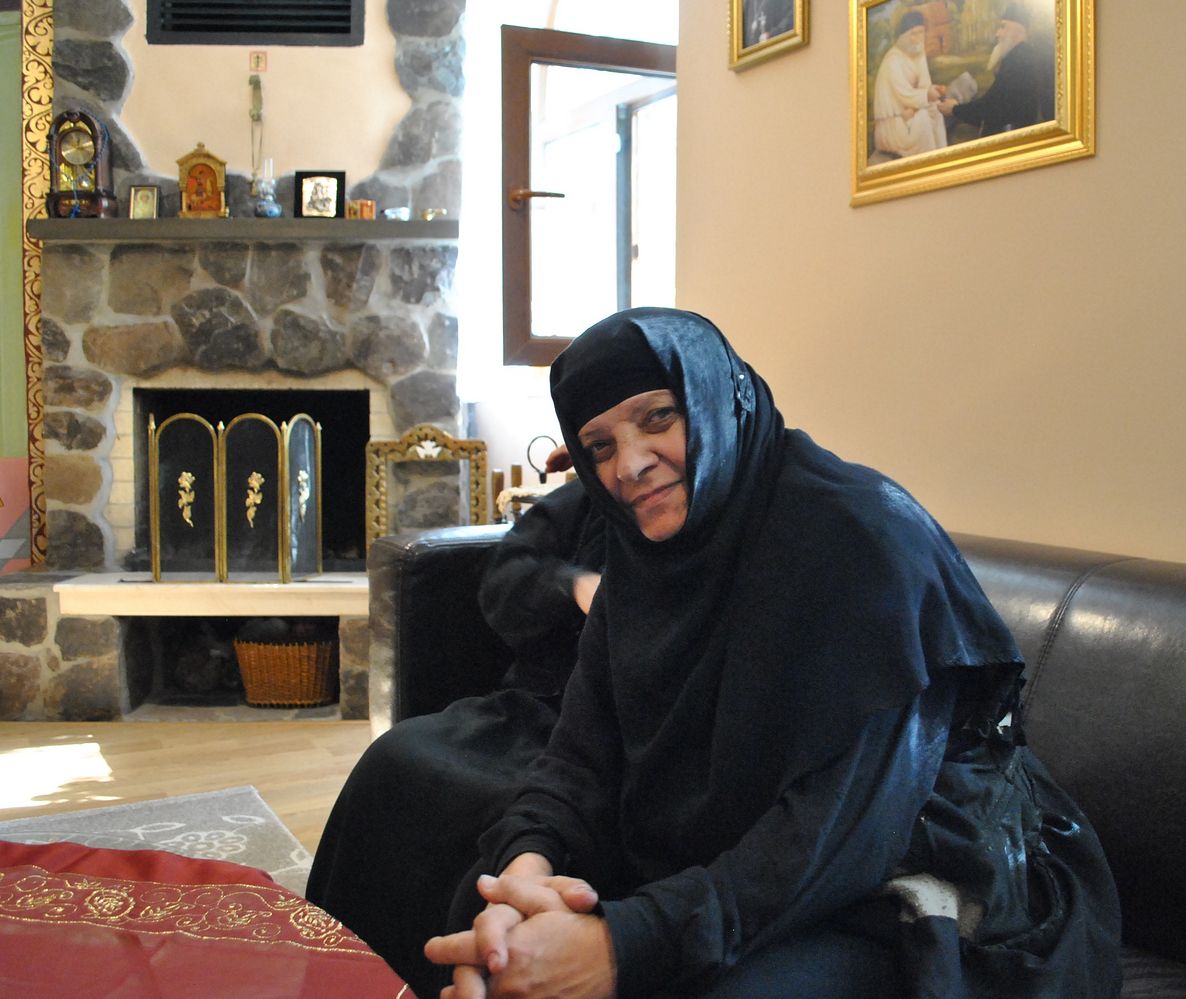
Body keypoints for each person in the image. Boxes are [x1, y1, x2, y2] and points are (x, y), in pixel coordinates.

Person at [425, 307, 1122, 998]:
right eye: (599, 446)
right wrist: (525, 871)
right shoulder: (643, 556)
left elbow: (839, 831)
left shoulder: (860, 539)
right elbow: (580, 753)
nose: (629, 465)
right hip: (757, 848)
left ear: (717, 399)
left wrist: (620, 947)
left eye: (658, 417)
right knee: (486, 917)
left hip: (915, 861)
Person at [305, 479, 605, 997]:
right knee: (396, 758)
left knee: (486, 810)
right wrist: (573, 585)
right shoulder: (589, 495)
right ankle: (339, 972)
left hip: (602, 740)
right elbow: (505, 577)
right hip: (533, 707)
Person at [941, 2, 1054, 136]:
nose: (997, 34)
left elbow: (993, 108)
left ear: (1018, 30)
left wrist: (954, 109)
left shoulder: (1019, 59)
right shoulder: (1020, 55)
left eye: (1003, 26)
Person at [873, 11, 949, 159]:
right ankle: (930, 161)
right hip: (894, 123)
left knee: (935, 111)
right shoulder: (893, 60)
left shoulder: (918, 53)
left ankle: (943, 156)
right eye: (913, 33)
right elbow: (904, 95)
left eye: (921, 32)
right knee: (923, 119)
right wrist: (926, 96)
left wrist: (933, 91)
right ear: (904, 35)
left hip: (911, 111)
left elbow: (925, 86)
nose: (917, 38)